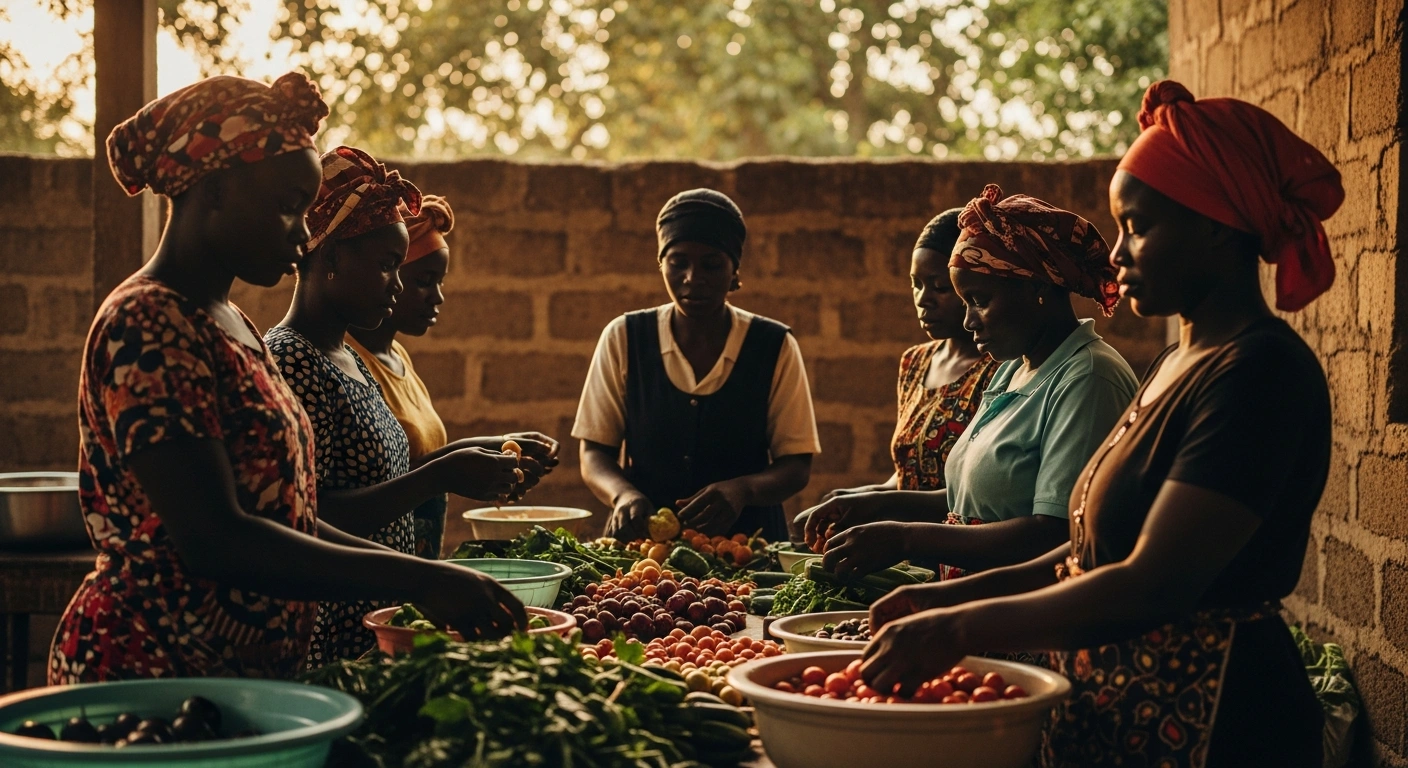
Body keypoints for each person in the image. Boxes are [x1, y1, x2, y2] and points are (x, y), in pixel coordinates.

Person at [861, 81, 1342, 768]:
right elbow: (1085, 555)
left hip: (1214, 721)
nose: (1116, 254)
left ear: (1215, 226)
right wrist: (938, 598)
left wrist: (959, 625)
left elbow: (1152, 582)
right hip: (1121, 710)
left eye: (1138, 227)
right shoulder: (1176, 362)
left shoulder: (1259, 374)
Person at [50, 74, 524, 685]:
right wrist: (415, 578)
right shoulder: (148, 322)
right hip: (156, 673)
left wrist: (421, 581)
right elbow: (218, 538)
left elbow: (285, 517)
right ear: (214, 191)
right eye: (287, 206)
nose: (303, 236)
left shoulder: (229, 323)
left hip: (239, 676)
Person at [266, 146, 551, 668]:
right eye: (386, 266)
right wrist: (437, 480)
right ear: (330, 259)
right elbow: (309, 513)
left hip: (379, 623)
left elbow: (378, 477)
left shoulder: (347, 358)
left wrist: (458, 460)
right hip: (336, 635)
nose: (396, 286)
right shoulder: (291, 361)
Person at [803, 185, 1138, 581]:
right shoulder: (1015, 370)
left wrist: (906, 539)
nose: (968, 321)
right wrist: (876, 505)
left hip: (1027, 626)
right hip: (975, 616)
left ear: (1037, 288)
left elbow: (1054, 534)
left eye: (979, 301)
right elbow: (973, 503)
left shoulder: (1087, 379)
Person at [574, 189, 820, 544]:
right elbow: (595, 452)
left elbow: (796, 465)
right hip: (648, 555)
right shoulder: (624, 338)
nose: (692, 277)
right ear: (661, 263)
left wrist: (743, 490)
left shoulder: (773, 346)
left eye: (712, 264)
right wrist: (622, 495)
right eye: (678, 262)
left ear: (735, 269)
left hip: (747, 550)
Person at [346, 194, 560, 560]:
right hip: (369, 569)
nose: (437, 297)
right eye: (424, 281)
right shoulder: (347, 363)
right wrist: (452, 471)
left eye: (440, 282)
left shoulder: (397, 357)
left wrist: (493, 446)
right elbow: (363, 487)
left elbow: (416, 460)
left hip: (414, 566)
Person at [820, 209, 998, 502]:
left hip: (960, 540)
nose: (922, 299)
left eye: (940, 287)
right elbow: (908, 474)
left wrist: (877, 504)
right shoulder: (914, 363)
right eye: (916, 284)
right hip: (901, 540)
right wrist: (852, 497)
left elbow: (979, 490)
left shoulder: (999, 368)